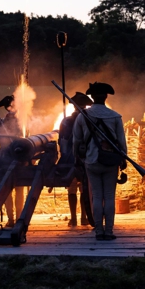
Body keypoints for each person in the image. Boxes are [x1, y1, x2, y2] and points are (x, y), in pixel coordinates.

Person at [72, 82, 127, 240]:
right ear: (106, 96)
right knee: (109, 195)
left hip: (91, 160)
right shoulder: (115, 116)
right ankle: (108, 232)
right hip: (110, 160)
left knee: (96, 195)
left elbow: (77, 140)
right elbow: (121, 142)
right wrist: (123, 158)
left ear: (92, 97)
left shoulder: (83, 116)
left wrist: (78, 157)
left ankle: (99, 232)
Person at [58, 92, 93, 227]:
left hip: (70, 159)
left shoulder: (66, 121)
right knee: (83, 188)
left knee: (74, 189)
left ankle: (75, 218)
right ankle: (82, 217)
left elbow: (61, 141)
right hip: (83, 158)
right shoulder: (89, 120)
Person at [0, 95, 24, 227]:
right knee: (17, 189)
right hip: (12, 159)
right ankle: (16, 218)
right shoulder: (17, 122)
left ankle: (13, 219)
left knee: (11, 190)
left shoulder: (0, 123)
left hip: (9, 159)